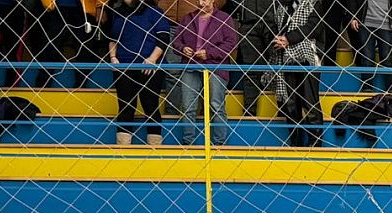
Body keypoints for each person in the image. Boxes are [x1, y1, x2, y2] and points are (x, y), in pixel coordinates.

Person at [174, 0, 236, 145]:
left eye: (205, 0)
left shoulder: (224, 18)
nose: (202, 3)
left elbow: (231, 43)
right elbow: (176, 42)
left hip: (216, 67)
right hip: (191, 66)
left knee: (216, 105)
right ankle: (188, 142)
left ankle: (219, 143)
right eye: (199, 0)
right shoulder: (188, 18)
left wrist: (209, 53)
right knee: (188, 106)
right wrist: (183, 49)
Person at [108, 0, 169, 145]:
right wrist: (113, 57)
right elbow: (113, 39)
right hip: (124, 66)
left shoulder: (155, 12)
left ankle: (155, 146)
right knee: (125, 106)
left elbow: (164, 39)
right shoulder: (118, 13)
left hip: (149, 67)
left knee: (150, 105)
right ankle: (123, 147)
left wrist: (152, 59)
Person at [265, 0, 322, 147]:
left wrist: (289, 39)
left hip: (308, 60)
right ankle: (295, 143)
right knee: (290, 104)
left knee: (309, 102)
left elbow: (314, 27)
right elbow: (272, 25)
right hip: (285, 59)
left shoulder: (314, 3)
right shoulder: (281, 5)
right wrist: (276, 39)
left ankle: (315, 143)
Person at [234, 0, 274, 117]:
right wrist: (241, 11)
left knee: (279, 66)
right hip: (248, 24)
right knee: (250, 70)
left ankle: (284, 109)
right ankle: (250, 111)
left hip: (273, 24)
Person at [348, 0, 392, 90]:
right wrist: (353, 17)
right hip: (365, 23)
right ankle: (367, 89)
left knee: (386, 58)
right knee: (367, 58)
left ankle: (391, 90)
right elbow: (353, 2)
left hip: (387, 25)